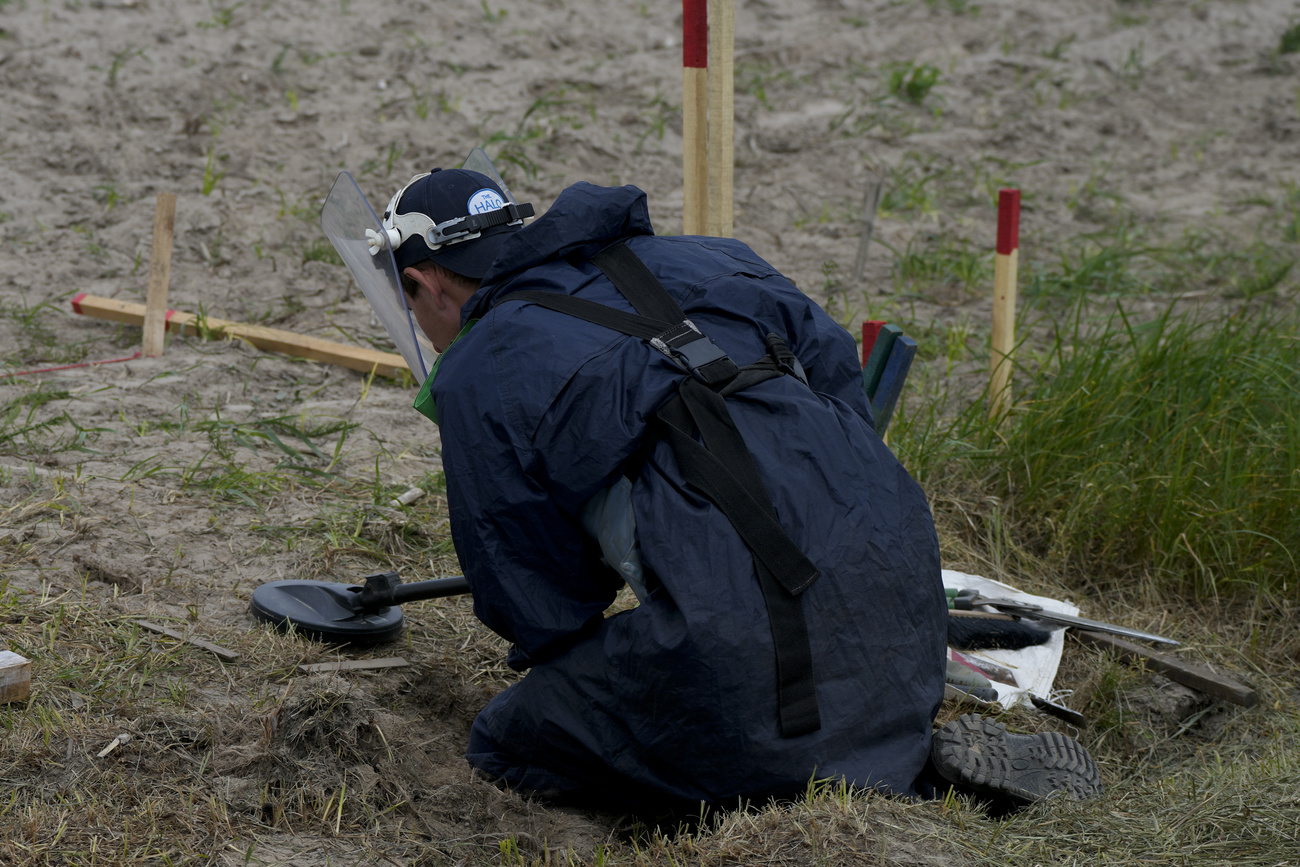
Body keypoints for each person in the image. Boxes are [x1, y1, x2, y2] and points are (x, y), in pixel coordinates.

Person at [367, 161, 1101, 812]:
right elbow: (841, 375)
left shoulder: (480, 366)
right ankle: (886, 754)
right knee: (760, 630)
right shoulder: (709, 258)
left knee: (512, 738)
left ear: (423, 283)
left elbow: (540, 602)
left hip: (757, 665)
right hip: (905, 614)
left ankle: (780, 781)